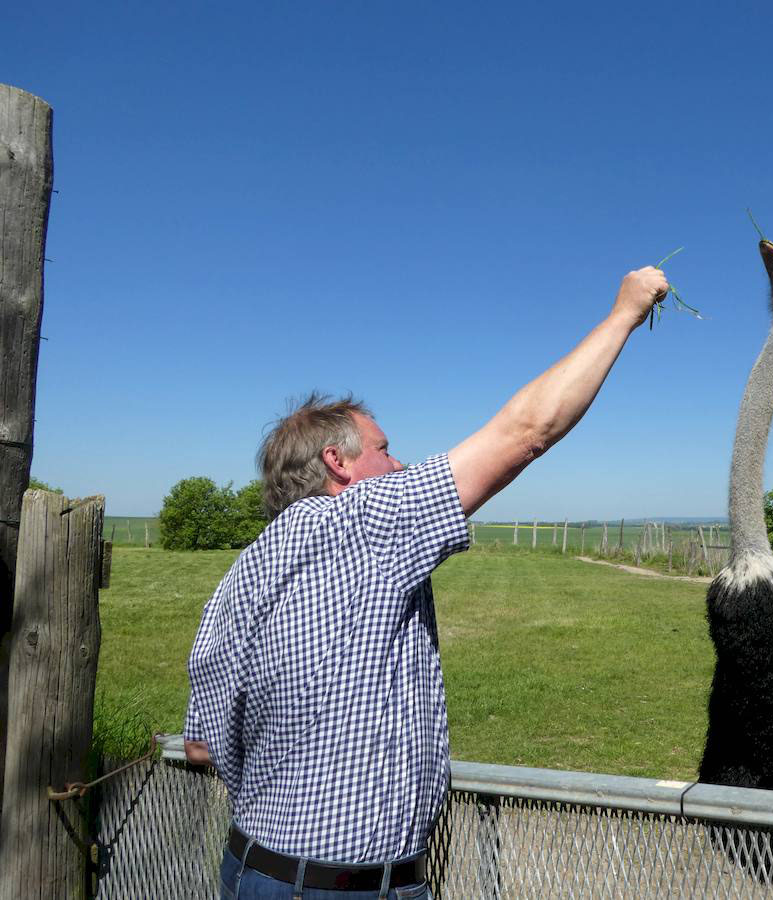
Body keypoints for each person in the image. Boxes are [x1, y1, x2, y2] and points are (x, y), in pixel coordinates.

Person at [184, 266, 669, 899]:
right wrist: (624, 313)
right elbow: (527, 432)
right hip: (347, 890)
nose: (402, 465)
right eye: (385, 450)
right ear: (339, 463)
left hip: (251, 872)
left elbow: (198, 745)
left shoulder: (245, 570)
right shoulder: (364, 521)